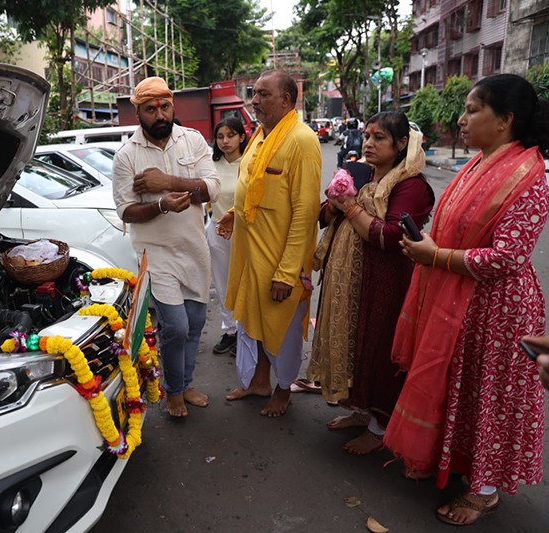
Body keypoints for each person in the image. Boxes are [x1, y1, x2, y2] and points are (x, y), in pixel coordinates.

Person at [389, 74, 549, 525]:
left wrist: (435, 255)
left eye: (472, 110)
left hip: (500, 310)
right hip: (462, 299)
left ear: (504, 120)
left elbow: (508, 257)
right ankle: (455, 464)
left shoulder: (530, 175)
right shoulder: (480, 163)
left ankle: (484, 492)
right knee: (460, 391)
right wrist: (428, 247)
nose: (461, 119)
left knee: (488, 399)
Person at [307, 111, 435, 455]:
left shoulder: (410, 186)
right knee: (353, 346)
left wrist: (349, 207)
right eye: (367, 136)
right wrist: (334, 203)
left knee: (378, 350)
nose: (368, 143)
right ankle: (361, 413)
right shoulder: (361, 172)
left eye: (379, 137)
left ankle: (380, 430)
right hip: (350, 282)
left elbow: (391, 236)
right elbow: (323, 214)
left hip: (385, 286)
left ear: (402, 143)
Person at [112, 76, 221, 418]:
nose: (159, 114)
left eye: (164, 107)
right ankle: (172, 391)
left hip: (194, 249)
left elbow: (212, 189)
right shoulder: (127, 156)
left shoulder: (193, 140)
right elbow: (125, 211)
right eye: (150, 109)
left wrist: (166, 182)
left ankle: (185, 384)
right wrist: (161, 205)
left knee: (195, 324)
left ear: (172, 107)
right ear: (138, 114)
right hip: (155, 253)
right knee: (175, 327)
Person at [215, 70, 321, 417]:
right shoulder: (261, 135)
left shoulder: (302, 140)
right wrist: (236, 213)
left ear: (286, 100)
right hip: (250, 256)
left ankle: (283, 388)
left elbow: (305, 212)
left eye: (263, 94)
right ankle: (259, 381)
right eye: (254, 93)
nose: (254, 101)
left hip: (279, 260)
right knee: (253, 324)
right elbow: (255, 187)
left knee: (283, 329)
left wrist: (287, 272)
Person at [207, 117, 248, 355]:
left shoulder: (250, 162)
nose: (225, 141)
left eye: (230, 135)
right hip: (217, 231)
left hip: (244, 232)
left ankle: (245, 332)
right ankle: (230, 330)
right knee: (222, 283)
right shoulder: (211, 165)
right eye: (220, 136)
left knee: (244, 282)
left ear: (242, 137)